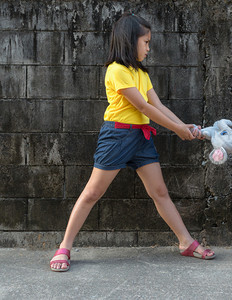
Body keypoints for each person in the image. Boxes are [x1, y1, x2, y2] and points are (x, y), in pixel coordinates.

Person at [50, 13, 215, 272]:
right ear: (130, 41)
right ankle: (64, 247)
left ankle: (186, 242)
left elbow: (156, 105)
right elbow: (142, 106)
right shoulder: (116, 71)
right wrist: (177, 130)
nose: (149, 48)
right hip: (116, 136)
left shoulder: (142, 73)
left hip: (141, 137)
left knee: (159, 192)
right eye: (146, 42)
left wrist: (187, 127)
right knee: (93, 192)